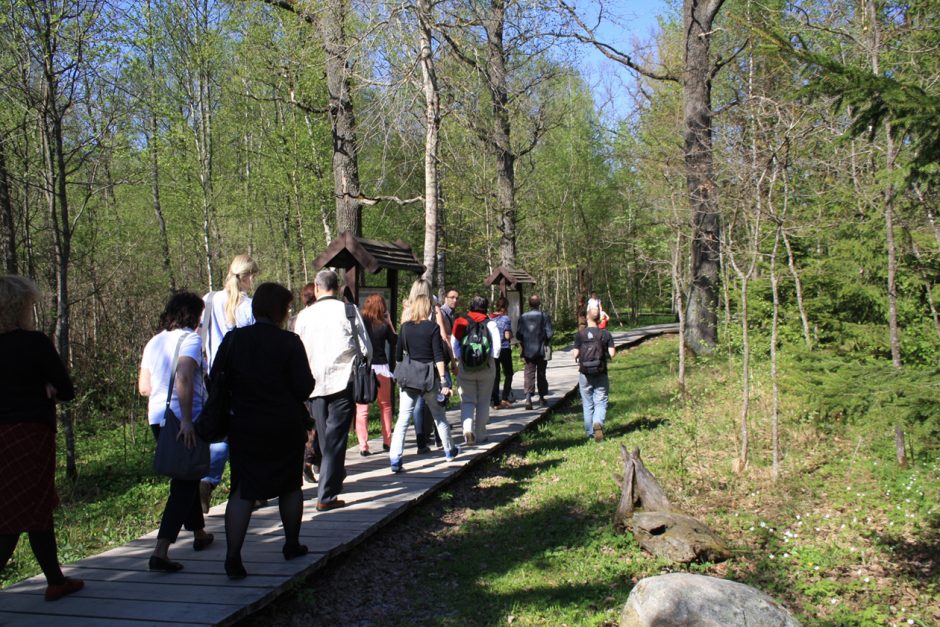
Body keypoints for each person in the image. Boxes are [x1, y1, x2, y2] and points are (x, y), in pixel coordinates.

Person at [212, 283, 315, 580]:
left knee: (242, 490)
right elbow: (304, 386)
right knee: (290, 486)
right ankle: (291, 543)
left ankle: (233, 557)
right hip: (284, 424)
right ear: (280, 310)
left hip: (245, 424)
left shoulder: (233, 340)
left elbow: (215, 380)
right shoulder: (290, 342)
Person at [0, 276, 83, 602]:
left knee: (34, 508)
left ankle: (55, 580)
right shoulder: (34, 343)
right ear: (21, 307)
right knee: (14, 516)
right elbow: (66, 390)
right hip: (29, 435)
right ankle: (55, 580)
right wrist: (44, 387)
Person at [138, 291, 214, 572]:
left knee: (187, 475)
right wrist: (185, 420)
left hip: (157, 418)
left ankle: (199, 533)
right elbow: (183, 376)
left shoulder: (154, 342)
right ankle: (161, 550)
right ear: (193, 315)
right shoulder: (191, 340)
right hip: (182, 419)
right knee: (184, 483)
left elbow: (144, 387)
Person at [294, 270, 371, 512]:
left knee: (327, 439)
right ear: (336, 288)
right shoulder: (348, 311)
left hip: (313, 384)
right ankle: (326, 494)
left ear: (316, 288)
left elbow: (297, 349)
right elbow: (366, 348)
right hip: (342, 382)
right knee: (335, 438)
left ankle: (331, 481)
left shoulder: (304, 316)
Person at [199, 254, 259, 514]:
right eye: (253, 275)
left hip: (213, 376)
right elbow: (254, 344)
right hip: (242, 378)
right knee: (244, 433)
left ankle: (208, 480)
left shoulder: (209, 299)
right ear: (246, 277)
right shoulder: (248, 306)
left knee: (220, 430)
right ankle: (246, 489)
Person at [389, 294, 456, 472]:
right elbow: (438, 356)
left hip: (409, 378)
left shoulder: (404, 328)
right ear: (428, 308)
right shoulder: (433, 328)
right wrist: (443, 380)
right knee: (438, 415)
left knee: (403, 418)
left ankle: (395, 459)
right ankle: (449, 451)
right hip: (428, 377)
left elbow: (397, 356)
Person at [452, 296, 502, 445]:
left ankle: (468, 429)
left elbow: (454, 344)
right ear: (486, 307)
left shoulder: (461, 321)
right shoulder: (491, 323)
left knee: (467, 400)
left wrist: (460, 359)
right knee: (483, 400)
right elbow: (497, 347)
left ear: (471, 306)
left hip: (465, 367)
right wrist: (489, 359)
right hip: (486, 367)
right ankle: (481, 434)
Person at [354, 293, 397, 455]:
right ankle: (387, 441)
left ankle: (363, 445)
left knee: (362, 407)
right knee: (385, 406)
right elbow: (394, 341)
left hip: (365, 368)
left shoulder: (361, 324)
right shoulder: (383, 326)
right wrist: (390, 322)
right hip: (382, 368)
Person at [573, 306, 616, 441]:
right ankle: (598, 422)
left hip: (585, 373)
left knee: (587, 403)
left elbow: (575, 354)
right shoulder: (606, 334)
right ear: (600, 319)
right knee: (601, 400)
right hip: (601, 371)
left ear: (587, 318)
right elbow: (612, 354)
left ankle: (590, 434)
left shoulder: (580, 334)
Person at [294, 283, 321, 483]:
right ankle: (310, 460)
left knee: (306, 422)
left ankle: (309, 460)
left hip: (299, 377)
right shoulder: (319, 319)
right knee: (316, 423)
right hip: (316, 377)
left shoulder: (296, 319)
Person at [515, 294, 553, 410]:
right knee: (541, 373)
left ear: (529, 304)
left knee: (528, 374)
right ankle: (541, 398)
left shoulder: (523, 317)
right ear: (539, 304)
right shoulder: (544, 316)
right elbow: (550, 333)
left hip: (528, 351)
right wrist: (545, 340)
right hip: (541, 350)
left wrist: (525, 342)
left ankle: (528, 398)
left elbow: (518, 334)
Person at [489, 296, 514, 410]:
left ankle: (495, 402)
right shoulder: (505, 319)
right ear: (506, 306)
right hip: (504, 348)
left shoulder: (490, 318)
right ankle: (504, 398)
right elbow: (507, 335)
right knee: (508, 373)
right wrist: (512, 335)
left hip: (493, 350)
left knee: (495, 375)